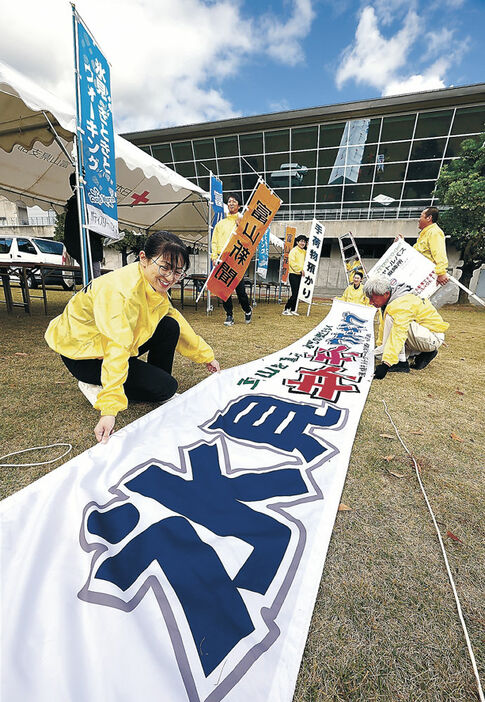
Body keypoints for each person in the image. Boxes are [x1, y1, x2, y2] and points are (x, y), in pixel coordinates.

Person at [45, 231, 220, 443]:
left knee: (169, 325)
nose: (170, 277)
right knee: (168, 387)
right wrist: (109, 410)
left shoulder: (150, 285)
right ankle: (93, 382)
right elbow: (116, 347)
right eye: (164, 267)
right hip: (83, 356)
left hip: (104, 345)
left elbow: (175, 319)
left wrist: (205, 356)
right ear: (143, 258)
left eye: (177, 271)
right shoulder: (121, 292)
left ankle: (154, 387)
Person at [363, 275, 449, 379]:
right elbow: (384, 330)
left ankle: (401, 363)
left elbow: (398, 333)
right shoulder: (392, 300)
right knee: (379, 354)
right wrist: (380, 347)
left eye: (372, 298)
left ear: (386, 294)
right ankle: (420, 354)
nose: (370, 302)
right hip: (421, 335)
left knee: (393, 321)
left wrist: (386, 364)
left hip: (432, 337)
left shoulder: (401, 304)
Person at [211, 192, 252, 326]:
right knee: (224, 291)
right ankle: (229, 315)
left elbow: (247, 241)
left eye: (234, 201)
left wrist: (241, 226)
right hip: (222, 261)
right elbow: (214, 242)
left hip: (236, 261)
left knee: (240, 292)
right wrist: (214, 257)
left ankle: (247, 309)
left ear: (239, 205)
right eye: (229, 201)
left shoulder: (241, 222)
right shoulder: (220, 224)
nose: (231, 203)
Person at [64, 172, 104, 278]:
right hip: (89, 249)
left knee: (91, 279)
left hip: (84, 250)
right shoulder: (81, 204)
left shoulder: (73, 205)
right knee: (95, 281)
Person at [397, 206, 449, 286]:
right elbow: (416, 253)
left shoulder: (434, 232)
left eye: (421, 216)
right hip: (417, 274)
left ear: (429, 218)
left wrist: (441, 273)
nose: (419, 219)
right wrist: (402, 244)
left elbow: (439, 254)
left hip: (425, 276)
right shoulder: (425, 234)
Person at [282, 235, 308, 316]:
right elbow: (292, 263)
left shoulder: (304, 252)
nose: (302, 243)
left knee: (298, 293)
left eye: (304, 241)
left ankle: (293, 309)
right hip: (294, 274)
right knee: (295, 293)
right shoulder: (293, 251)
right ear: (297, 242)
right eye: (301, 241)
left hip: (301, 275)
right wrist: (300, 270)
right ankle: (286, 309)